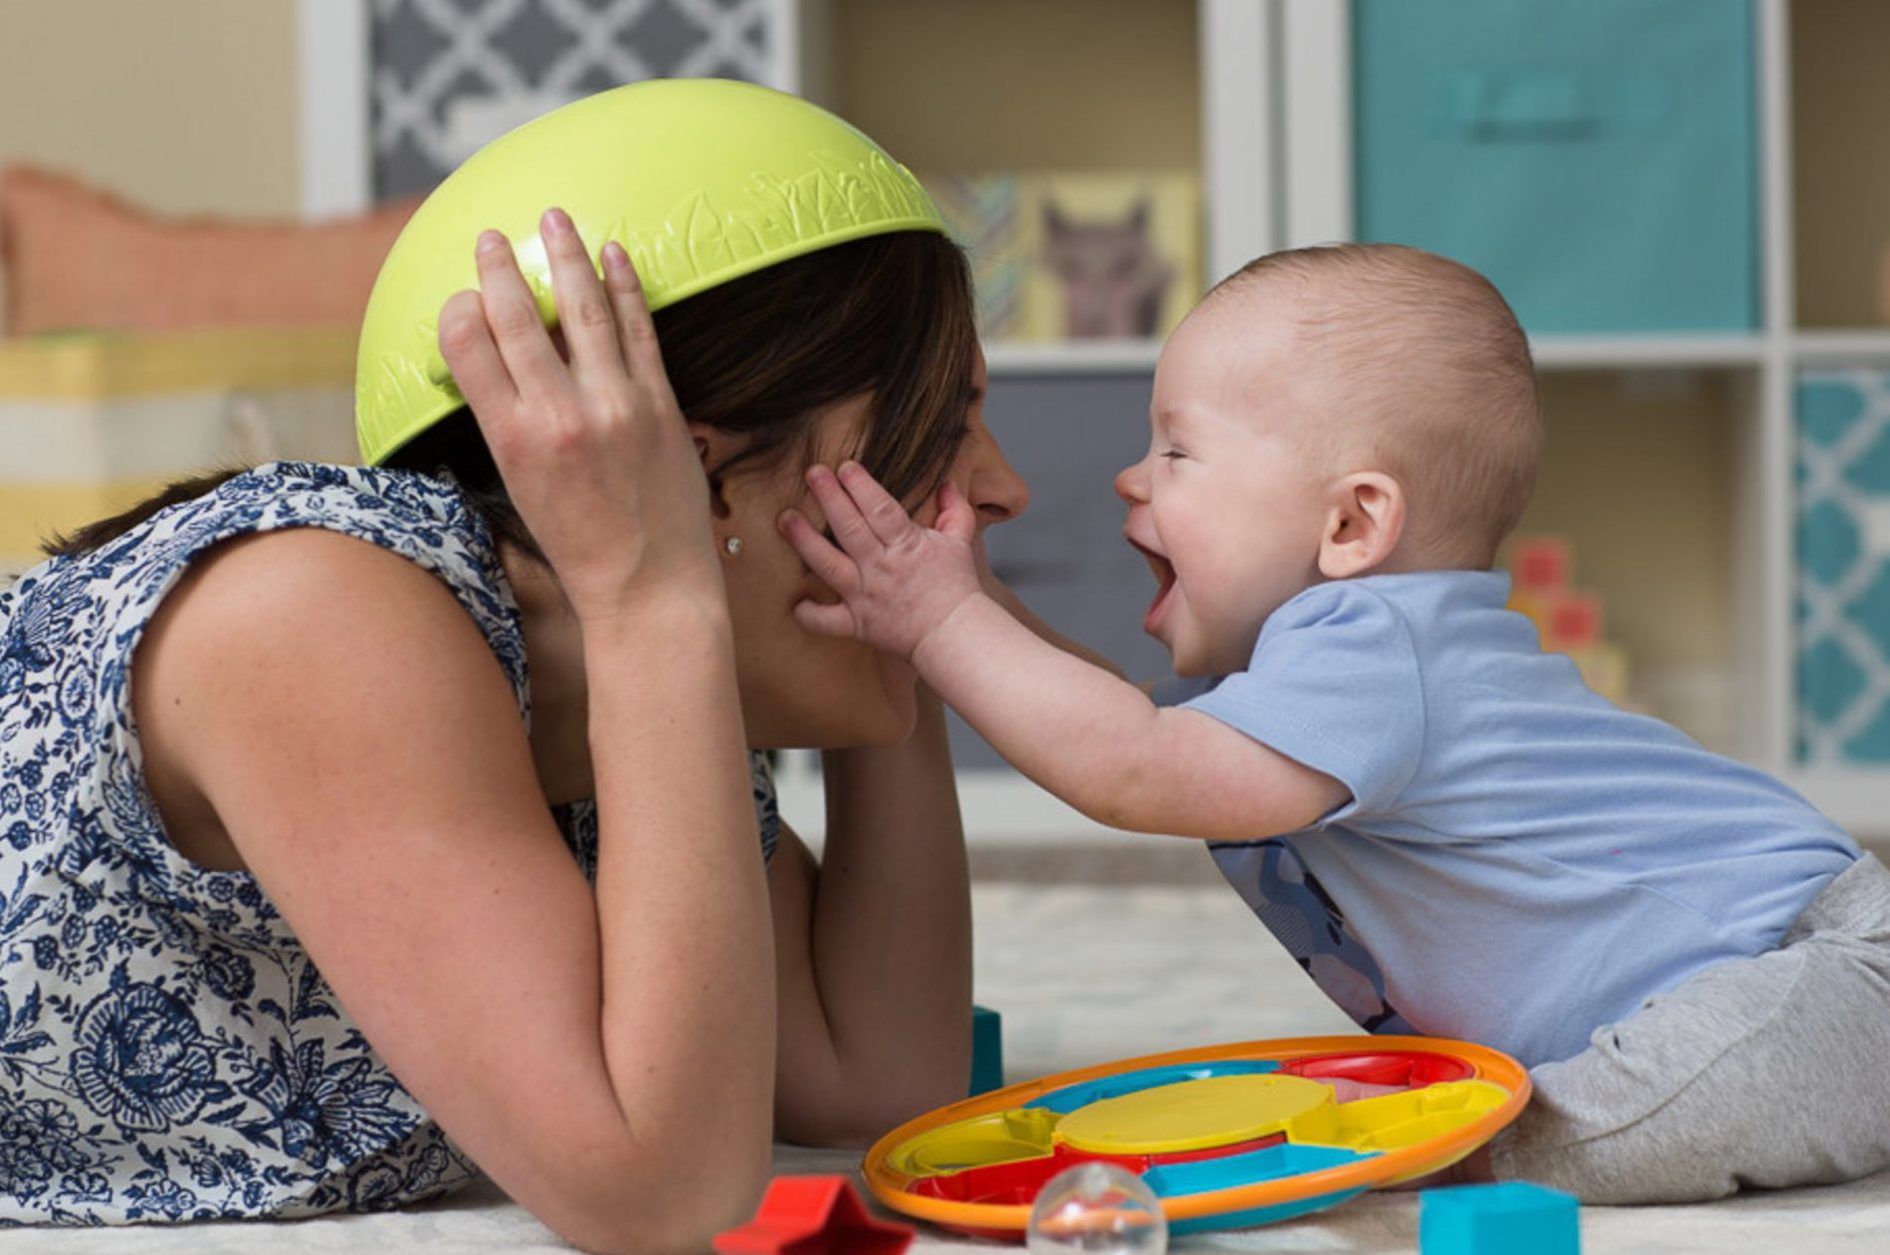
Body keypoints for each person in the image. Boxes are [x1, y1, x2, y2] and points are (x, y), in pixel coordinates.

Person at [0, 82, 1030, 1252]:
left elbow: (875, 1081)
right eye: (939, 429)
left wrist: (929, 623)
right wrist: (658, 588)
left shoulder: (635, 703)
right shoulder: (325, 617)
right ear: (690, 482)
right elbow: (658, 1192)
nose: (1001, 488)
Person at [778, 241, 1890, 1205]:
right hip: (1780, 970)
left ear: (1353, 522)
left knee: (1549, 1137)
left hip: (1811, 966)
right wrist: (960, 599)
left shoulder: (1370, 641)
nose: (1130, 477)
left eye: (1176, 449)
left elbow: (1132, 766)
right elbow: (1122, 725)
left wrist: (938, 620)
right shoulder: (1340, 670)